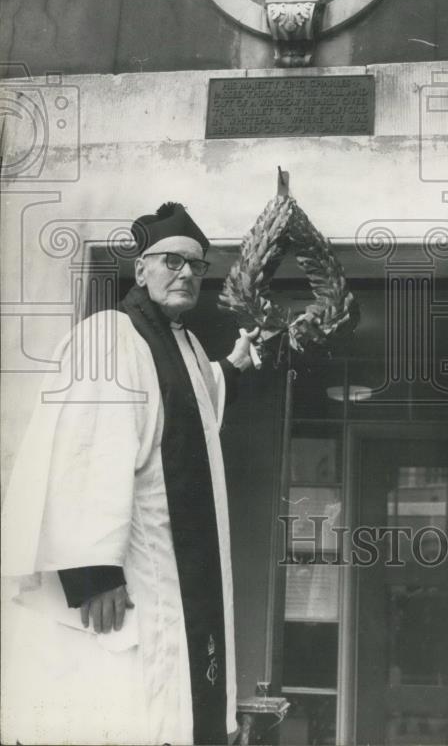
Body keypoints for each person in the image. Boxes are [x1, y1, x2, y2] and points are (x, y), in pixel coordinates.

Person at [1, 202, 259, 745]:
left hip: (176, 575)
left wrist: (234, 367)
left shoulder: (182, 346)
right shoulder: (110, 336)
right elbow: (83, 449)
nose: (186, 273)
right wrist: (93, 571)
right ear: (140, 268)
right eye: (172, 261)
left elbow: (193, 407)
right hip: (132, 575)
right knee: (124, 702)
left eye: (197, 265)